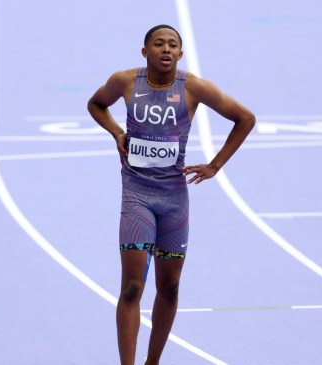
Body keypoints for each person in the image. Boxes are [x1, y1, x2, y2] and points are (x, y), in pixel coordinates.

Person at [87, 24, 255, 365]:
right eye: (158, 43)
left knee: (170, 288)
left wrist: (216, 165)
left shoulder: (192, 87)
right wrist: (117, 132)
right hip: (137, 194)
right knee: (133, 286)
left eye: (173, 45)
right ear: (144, 51)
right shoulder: (124, 82)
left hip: (174, 200)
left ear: (180, 54)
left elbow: (245, 119)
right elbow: (95, 104)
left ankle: (153, 362)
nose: (166, 49)